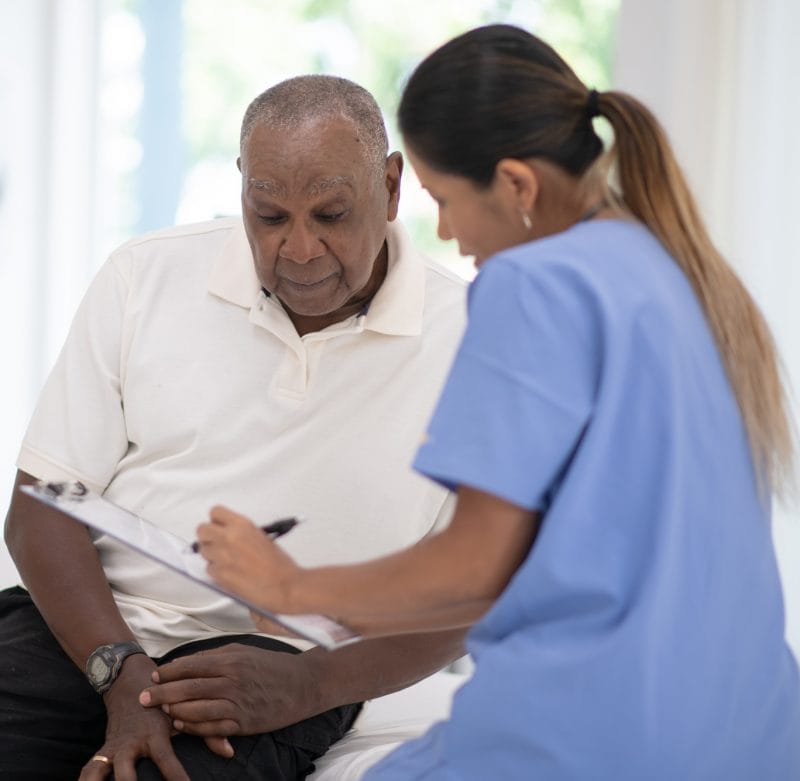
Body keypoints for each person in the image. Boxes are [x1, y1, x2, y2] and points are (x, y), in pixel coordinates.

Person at [196, 24, 800, 780]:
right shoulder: (675, 271)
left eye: (445, 200)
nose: (444, 232)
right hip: (756, 734)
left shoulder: (533, 284)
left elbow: (476, 565)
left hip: (593, 741)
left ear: (516, 186)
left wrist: (289, 585)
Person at [1, 75, 468, 780]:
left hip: (285, 663)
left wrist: (312, 685)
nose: (301, 249)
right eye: (270, 215)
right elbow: (43, 507)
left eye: (332, 214)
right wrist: (122, 673)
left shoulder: (479, 338)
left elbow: (473, 593)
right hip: (90, 630)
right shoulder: (144, 276)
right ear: (243, 189)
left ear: (393, 186)